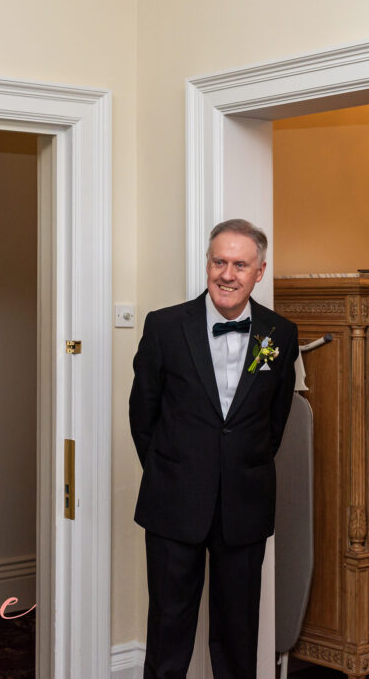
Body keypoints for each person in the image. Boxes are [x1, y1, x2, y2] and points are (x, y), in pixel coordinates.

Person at [130, 218, 299, 679]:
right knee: (168, 632)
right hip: (174, 503)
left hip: (244, 506)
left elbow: (275, 419)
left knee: (239, 636)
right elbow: (142, 416)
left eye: (240, 265)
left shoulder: (280, 335)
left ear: (259, 272)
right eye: (219, 262)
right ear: (207, 264)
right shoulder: (164, 327)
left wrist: (238, 467)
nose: (227, 274)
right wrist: (175, 471)